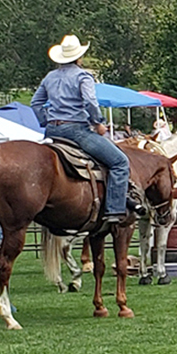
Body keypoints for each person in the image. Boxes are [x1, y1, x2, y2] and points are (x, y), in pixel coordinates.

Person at [31, 35, 135, 224]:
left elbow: (36, 102)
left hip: (52, 132)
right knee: (120, 162)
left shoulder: (50, 77)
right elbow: (89, 102)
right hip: (76, 131)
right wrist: (98, 122)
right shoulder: (82, 76)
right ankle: (114, 210)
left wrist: (45, 121)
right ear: (79, 57)